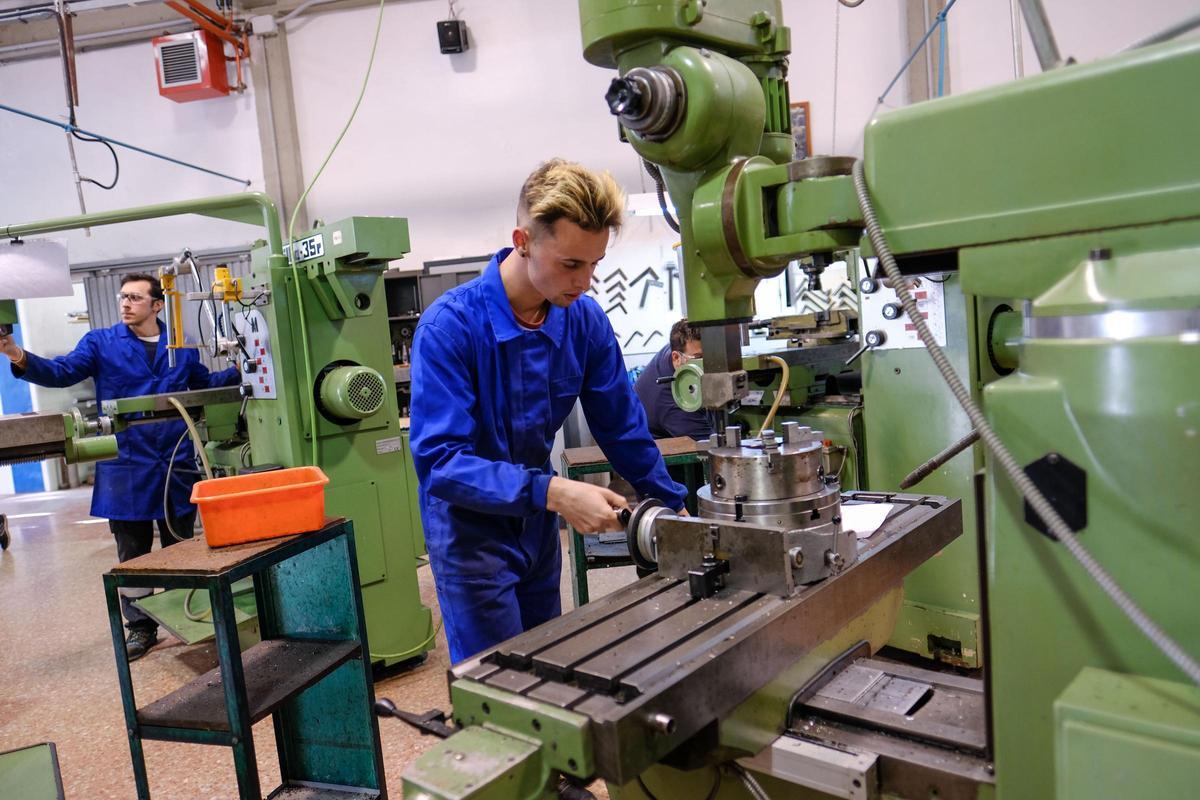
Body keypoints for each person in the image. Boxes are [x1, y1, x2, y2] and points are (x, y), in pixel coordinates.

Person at [410, 159, 688, 663]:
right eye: (570, 265)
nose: (585, 283)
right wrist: (555, 491)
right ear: (523, 240)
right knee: (497, 683)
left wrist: (672, 504)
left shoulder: (582, 321)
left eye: (594, 264)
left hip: (536, 528)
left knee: (546, 666)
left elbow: (622, 427)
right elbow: (441, 465)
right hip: (471, 533)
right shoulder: (450, 329)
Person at [0, 273, 239, 660]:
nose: (125, 304)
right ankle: (141, 628)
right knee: (133, 553)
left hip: (175, 463)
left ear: (157, 305)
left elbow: (203, 383)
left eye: (134, 298)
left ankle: (186, 617)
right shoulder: (101, 343)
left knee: (182, 547)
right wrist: (16, 354)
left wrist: (251, 366)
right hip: (127, 464)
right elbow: (62, 372)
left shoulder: (180, 346)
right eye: (122, 297)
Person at [633, 318, 714, 441]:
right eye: (699, 358)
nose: (710, 364)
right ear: (676, 358)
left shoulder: (679, 351)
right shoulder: (673, 402)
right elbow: (709, 446)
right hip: (661, 452)